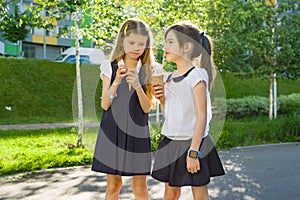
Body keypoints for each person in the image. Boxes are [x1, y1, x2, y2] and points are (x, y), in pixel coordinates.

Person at [151, 21, 225, 200]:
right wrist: (161, 100)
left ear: (186, 47)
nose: (165, 47)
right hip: (171, 143)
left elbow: (203, 116)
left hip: (193, 144)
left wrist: (193, 152)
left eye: (170, 42)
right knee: (170, 193)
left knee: (199, 193)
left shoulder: (197, 75)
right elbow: (171, 116)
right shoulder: (169, 78)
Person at [92, 18, 155, 200]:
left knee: (140, 187)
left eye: (141, 44)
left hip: (138, 132)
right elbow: (105, 104)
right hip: (112, 132)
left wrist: (137, 85)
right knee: (113, 185)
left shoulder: (148, 70)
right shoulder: (110, 68)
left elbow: (147, 107)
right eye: (132, 42)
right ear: (122, 42)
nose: (137, 47)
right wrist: (117, 82)